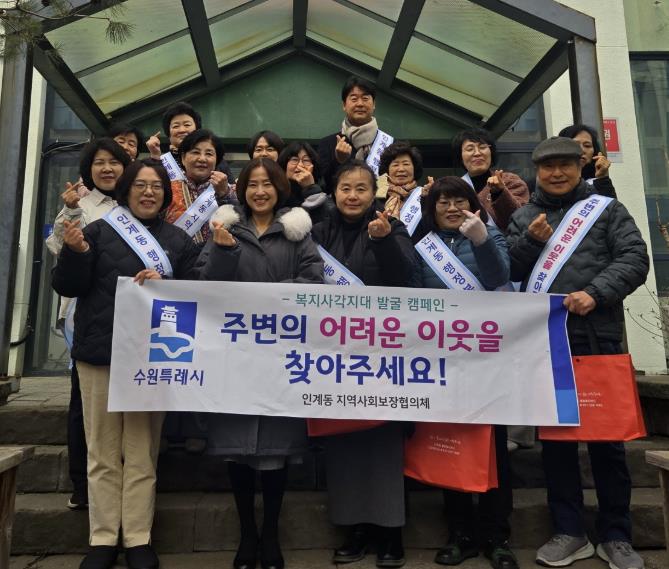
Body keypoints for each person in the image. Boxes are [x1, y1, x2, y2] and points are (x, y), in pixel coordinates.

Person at [506, 137, 649, 569]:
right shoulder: (523, 216)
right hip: (546, 344)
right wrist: (530, 243)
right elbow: (508, 271)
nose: (556, 173)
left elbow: (635, 257)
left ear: (579, 167)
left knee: (608, 444)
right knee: (557, 444)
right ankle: (569, 530)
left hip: (597, 338)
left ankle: (616, 535)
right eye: (548, 167)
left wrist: (596, 292)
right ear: (536, 172)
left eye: (565, 165)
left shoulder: (606, 210)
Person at [52, 158, 200, 569]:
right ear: (126, 190)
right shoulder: (98, 232)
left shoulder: (178, 242)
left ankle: (138, 538)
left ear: (165, 194)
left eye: (156, 186)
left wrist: (167, 285)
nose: (148, 192)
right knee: (101, 451)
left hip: (151, 361)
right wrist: (76, 253)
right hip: (99, 356)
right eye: (140, 185)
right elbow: (67, 285)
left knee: (141, 452)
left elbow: (197, 295)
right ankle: (102, 538)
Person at [197, 157, 323, 569]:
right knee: (237, 452)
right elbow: (204, 284)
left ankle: (270, 533)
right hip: (233, 357)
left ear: (279, 188)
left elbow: (315, 282)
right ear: (242, 190)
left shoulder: (297, 231)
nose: (260, 191)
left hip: (279, 358)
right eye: (252, 184)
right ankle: (246, 534)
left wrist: (271, 297)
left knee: (275, 453)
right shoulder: (226, 227)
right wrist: (223, 252)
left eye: (267, 183)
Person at [311, 160, 415, 568]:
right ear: (334, 192)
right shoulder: (319, 231)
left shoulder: (393, 226)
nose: (352, 196)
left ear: (374, 193)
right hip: (334, 356)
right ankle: (353, 528)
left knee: (383, 442)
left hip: (382, 354)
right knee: (344, 442)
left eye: (361, 189)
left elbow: (408, 277)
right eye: (345, 188)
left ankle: (390, 532)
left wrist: (384, 241)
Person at [410, 177, 516, 569]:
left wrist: (482, 240)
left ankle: (497, 536)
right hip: (443, 362)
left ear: (472, 204)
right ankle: (460, 534)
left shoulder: (490, 235)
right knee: (449, 444)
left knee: (493, 448)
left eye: (459, 201)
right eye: (443, 202)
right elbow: (414, 298)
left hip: (487, 361)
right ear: (432, 209)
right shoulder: (423, 247)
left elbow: (498, 278)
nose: (452, 208)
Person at [45, 139, 131, 513]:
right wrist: (69, 210)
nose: (107, 168)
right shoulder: (80, 203)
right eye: (100, 162)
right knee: (84, 404)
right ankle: (82, 482)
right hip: (88, 316)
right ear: (88, 168)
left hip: (131, 319)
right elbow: (57, 247)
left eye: (115, 162)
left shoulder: (135, 203)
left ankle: (126, 478)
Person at [318, 76, 394, 194]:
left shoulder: (390, 144)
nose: (360, 104)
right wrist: (339, 161)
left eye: (365, 98)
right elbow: (327, 186)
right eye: (354, 99)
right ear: (344, 105)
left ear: (374, 104)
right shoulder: (328, 144)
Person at [165, 128, 237, 247]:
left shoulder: (231, 191)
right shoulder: (166, 189)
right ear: (183, 157)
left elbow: (241, 225)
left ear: (217, 160)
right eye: (195, 152)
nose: (202, 159)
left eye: (209, 154)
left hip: (217, 256)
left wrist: (225, 194)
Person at [452, 128, 529, 232]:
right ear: (460, 157)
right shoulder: (454, 188)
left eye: (482, 147)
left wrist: (500, 193)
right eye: (470, 149)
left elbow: (520, 219)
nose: (477, 153)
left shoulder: (510, 181)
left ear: (491, 153)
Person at [146, 101, 235, 182]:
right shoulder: (163, 161)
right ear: (168, 133)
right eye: (176, 126)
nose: (182, 130)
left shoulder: (214, 160)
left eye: (187, 125)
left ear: (197, 129)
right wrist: (155, 156)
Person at [277, 141, 334, 223]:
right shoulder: (277, 192)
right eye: (294, 160)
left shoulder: (322, 191)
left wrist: (310, 188)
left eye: (306, 160)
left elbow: (326, 221)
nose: (300, 165)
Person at [558, 124, 616, 197]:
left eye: (587, 146)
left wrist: (602, 178)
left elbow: (610, 204)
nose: (582, 150)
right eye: (575, 144)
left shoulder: (597, 181)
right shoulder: (552, 177)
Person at [377, 141, 423, 219]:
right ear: (387, 170)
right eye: (395, 165)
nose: (401, 169)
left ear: (414, 169)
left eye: (406, 164)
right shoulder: (375, 195)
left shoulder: (423, 196)